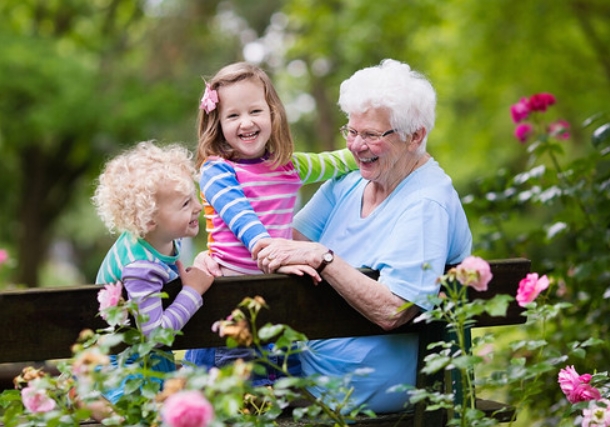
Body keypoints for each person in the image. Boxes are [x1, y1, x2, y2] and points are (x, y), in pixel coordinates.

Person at [251, 59, 473, 414]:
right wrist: (219, 254)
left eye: (371, 135)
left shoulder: (426, 202)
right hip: (301, 374)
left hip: (368, 396)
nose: (355, 146)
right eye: (351, 132)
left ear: (415, 135)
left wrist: (323, 259)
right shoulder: (350, 181)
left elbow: (394, 309)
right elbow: (282, 243)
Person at [185, 62, 358, 382]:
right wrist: (277, 256)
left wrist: (367, 149)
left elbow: (334, 162)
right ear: (217, 124)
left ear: (272, 113)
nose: (246, 122)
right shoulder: (217, 171)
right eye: (233, 116)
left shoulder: (287, 166)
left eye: (255, 111)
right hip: (230, 317)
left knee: (280, 404)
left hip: (278, 313)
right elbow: (245, 223)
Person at [93, 141, 214, 404]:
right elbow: (154, 336)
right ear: (149, 219)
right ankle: (94, 402)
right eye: (184, 204)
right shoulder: (140, 266)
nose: (197, 206)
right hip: (123, 366)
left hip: (142, 356)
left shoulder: (162, 238)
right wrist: (192, 291)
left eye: (194, 196)